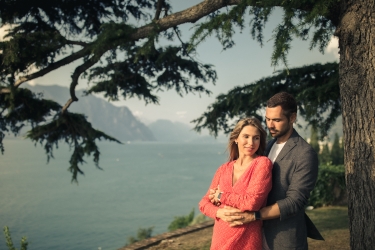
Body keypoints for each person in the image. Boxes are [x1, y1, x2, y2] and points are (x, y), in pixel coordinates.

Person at [210, 92, 323, 249]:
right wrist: (219, 195)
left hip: (284, 238)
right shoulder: (267, 146)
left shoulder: (305, 153)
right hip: (256, 236)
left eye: (276, 120)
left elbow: (295, 201)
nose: (270, 125)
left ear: (292, 118)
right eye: (268, 119)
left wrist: (254, 215)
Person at [199, 117, 273, 250]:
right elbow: (204, 204)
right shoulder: (223, 169)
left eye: (256, 138)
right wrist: (218, 212)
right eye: (246, 136)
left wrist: (221, 196)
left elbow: (252, 202)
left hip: (246, 240)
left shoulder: (262, 164)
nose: (251, 142)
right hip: (219, 240)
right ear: (236, 138)